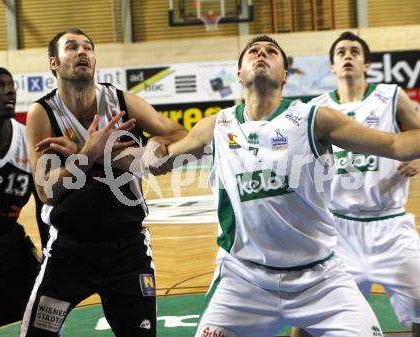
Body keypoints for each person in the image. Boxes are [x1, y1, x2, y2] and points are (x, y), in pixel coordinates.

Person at [142, 34, 420, 337]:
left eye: (271, 52)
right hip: (243, 279)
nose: (262, 54)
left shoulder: (314, 118)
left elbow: (395, 145)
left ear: (285, 75)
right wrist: (155, 145)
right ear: (239, 74)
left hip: (320, 278)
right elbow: (163, 160)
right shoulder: (216, 126)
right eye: (253, 51)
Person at [19, 28, 187, 337]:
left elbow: (181, 135)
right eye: (72, 47)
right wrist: (88, 154)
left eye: (88, 47)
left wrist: (157, 143)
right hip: (68, 252)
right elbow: (45, 191)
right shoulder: (42, 113)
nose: (82, 52)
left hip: (127, 250)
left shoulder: (123, 102)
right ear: (54, 62)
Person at [292, 31, 420, 337]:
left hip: (390, 227)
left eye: (354, 52)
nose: (347, 56)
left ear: (366, 64)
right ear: (332, 67)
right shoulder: (317, 109)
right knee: (312, 314)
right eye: (340, 53)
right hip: (339, 230)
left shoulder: (390, 96)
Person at [0, 67, 41, 326]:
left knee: (36, 318)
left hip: (8, 243)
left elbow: (43, 202)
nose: (10, 90)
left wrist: (49, 250)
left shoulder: (28, 139)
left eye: (12, 85)